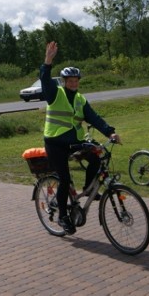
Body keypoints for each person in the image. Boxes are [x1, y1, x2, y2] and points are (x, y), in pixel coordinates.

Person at [40, 41, 120, 235]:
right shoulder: (55, 94)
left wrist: (110, 132)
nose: (74, 83)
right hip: (55, 142)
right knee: (65, 179)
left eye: (76, 80)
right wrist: (48, 62)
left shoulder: (80, 99)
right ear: (64, 81)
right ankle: (62, 217)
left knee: (96, 155)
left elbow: (93, 117)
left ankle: (88, 186)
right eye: (70, 80)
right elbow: (44, 80)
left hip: (73, 141)